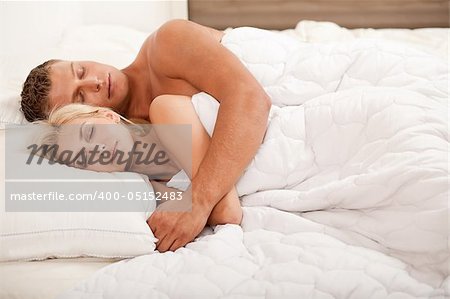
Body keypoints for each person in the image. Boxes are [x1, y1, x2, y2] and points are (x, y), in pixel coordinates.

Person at [20, 19, 271, 252]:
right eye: (80, 97)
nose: (94, 82)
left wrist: (198, 202)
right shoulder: (127, 153)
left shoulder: (167, 44)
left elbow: (252, 99)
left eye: (81, 71)